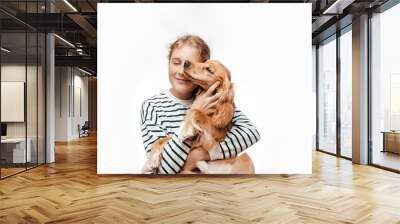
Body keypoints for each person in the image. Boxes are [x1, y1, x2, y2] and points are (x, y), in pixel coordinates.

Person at [140, 34, 260, 174]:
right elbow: (163, 172)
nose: (181, 71)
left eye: (188, 64)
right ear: (168, 63)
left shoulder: (213, 99)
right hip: (175, 189)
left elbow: (251, 133)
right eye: (176, 63)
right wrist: (194, 112)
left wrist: (204, 154)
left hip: (214, 184)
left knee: (246, 162)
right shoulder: (152, 107)